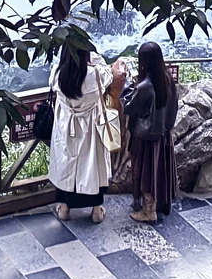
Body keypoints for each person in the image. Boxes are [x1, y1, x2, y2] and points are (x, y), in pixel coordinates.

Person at [48, 41, 124, 222]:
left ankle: (64, 209)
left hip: (66, 126)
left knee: (65, 163)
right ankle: (96, 211)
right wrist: (93, 58)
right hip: (91, 127)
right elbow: (107, 71)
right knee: (93, 165)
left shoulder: (57, 73)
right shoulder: (95, 75)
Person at [123, 41, 178, 222]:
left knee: (145, 172)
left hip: (145, 137)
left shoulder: (145, 86)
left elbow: (129, 107)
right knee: (158, 171)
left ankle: (149, 211)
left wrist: (127, 86)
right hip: (163, 135)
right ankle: (159, 204)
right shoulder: (167, 79)